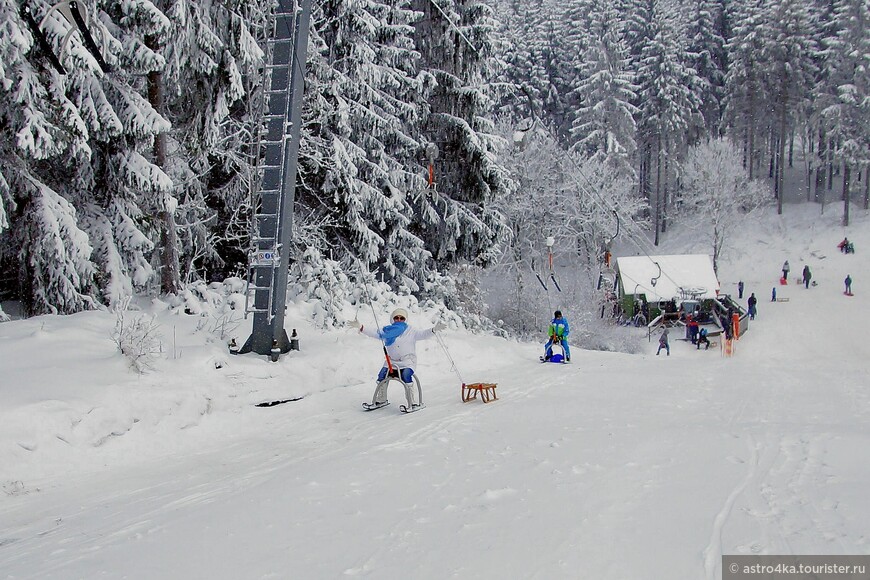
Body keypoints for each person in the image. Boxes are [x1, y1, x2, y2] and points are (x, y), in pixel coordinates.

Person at [349, 308, 445, 407]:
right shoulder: (386, 331)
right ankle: (381, 399)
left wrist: (434, 330)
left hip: (407, 362)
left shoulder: (411, 331)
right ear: (392, 319)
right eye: (396, 318)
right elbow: (374, 332)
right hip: (391, 362)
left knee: (406, 375)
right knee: (382, 376)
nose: (399, 320)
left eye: (401, 318)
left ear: (405, 319)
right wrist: (360, 327)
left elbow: (423, 334)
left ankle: (412, 402)